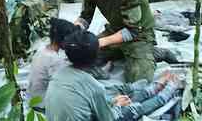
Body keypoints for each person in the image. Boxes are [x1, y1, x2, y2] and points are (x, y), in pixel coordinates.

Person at [45, 30, 183, 121]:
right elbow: (109, 119)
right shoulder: (94, 87)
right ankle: (165, 93)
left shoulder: (58, 75)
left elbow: (87, 102)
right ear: (96, 56)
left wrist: (114, 102)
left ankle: (154, 88)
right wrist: (116, 105)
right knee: (132, 109)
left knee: (122, 98)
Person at [75, 0, 155, 82]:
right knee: (80, 57)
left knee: (140, 80)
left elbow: (133, 31)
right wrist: (76, 30)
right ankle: (119, 52)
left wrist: (99, 42)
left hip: (139, 36)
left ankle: (152, 52)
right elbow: (85, 17)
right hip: (114, 31)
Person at [28, 18, 78, 109]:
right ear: (64, 39)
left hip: (33, 97)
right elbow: (62, 85)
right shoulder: (54, 60)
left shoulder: (42, 49)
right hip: (42, 103)